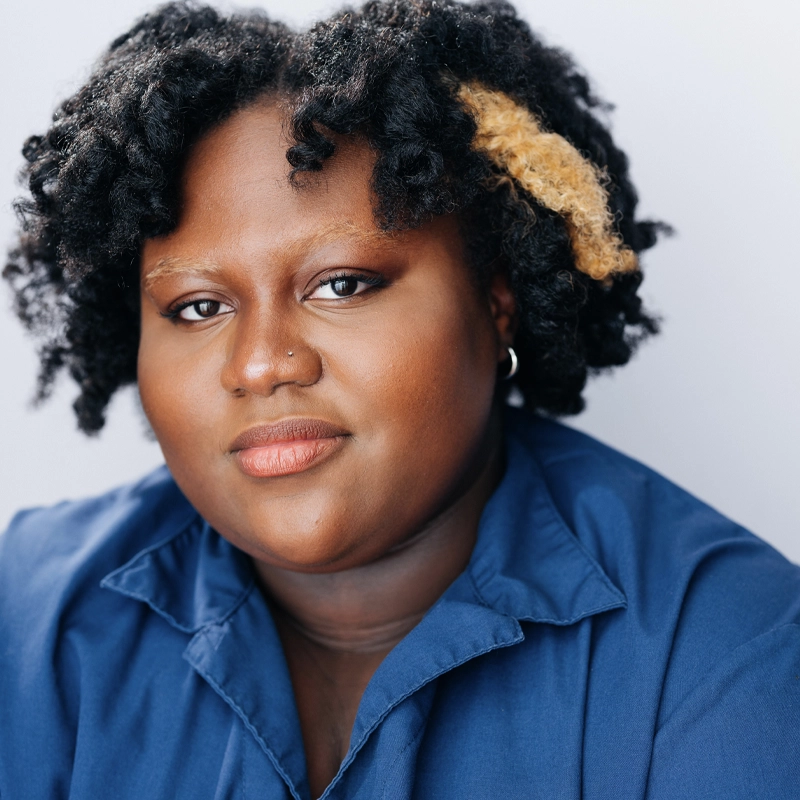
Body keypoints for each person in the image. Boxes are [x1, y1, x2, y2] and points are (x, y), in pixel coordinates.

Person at [1, 0, 798, 797]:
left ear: (497, 300)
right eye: (198, 308)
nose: (259, 365)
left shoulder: (727, 651)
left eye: (343, 284)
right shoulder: (26, 625)